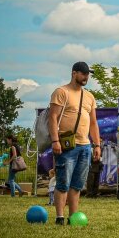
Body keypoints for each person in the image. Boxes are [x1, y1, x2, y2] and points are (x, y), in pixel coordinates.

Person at [47, 62, 101, 225]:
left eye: (87, 74)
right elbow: (53, 117)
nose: (86, 77)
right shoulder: (61, 92)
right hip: (66, 144)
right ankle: (59, 217)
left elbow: (93, 123)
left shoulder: (89, 96)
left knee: (77, 184)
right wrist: (55, 140)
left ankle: (73, 217)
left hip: (85, 145)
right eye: (83, 73)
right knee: (63, 182)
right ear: (74, 73)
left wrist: (97, 145)